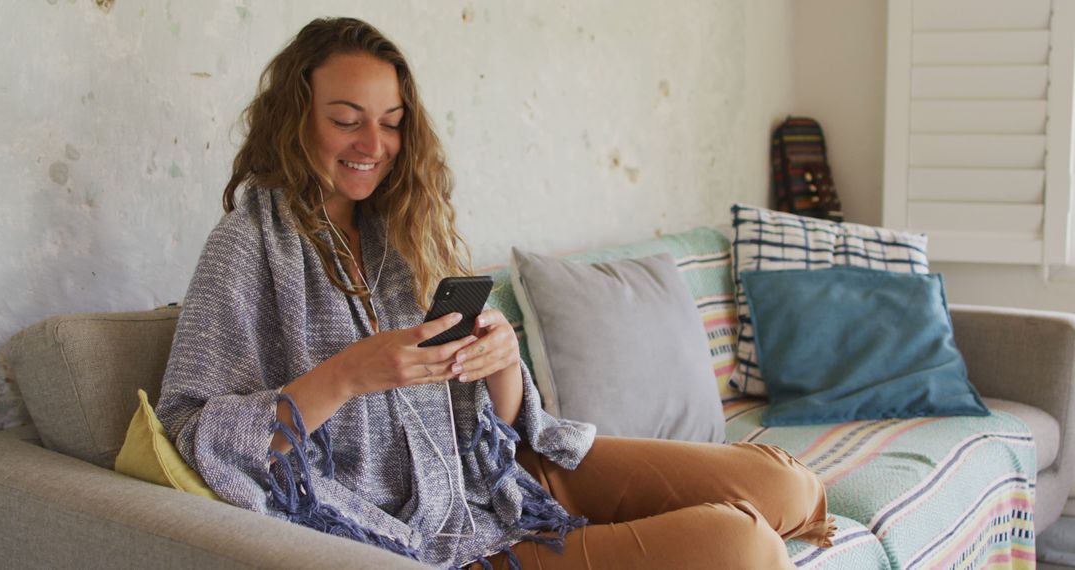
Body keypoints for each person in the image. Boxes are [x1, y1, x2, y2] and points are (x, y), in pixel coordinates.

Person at [156, 17, 835, 569]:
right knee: (741, 544)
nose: (375, 143)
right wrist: (348, 375)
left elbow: (505, 424)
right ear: (296, 119)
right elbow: (191, 431)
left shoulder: (403, 230)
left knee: (791, 485)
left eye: (392, 121)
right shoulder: (248, 243)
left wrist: (503, 361)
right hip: (432, 533)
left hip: (504, 472)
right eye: (346, 119)